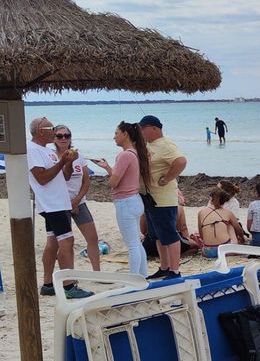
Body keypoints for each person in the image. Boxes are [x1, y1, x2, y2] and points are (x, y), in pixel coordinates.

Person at [27, 117, 92, 299]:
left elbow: (64, 176)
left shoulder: (47, 151)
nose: (54, 131)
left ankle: (48, 284)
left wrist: (68, 161)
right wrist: (62, 161)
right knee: (67, 241)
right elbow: (42, 177)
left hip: (57, 202)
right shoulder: (32, 149)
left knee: (53, 242)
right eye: (52, 128)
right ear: (41, 131)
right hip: (52, 204)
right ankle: (69, 286)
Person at [93, 122, 152, 277]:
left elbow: (114, 182)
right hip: (134, 200)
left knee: (132, 245)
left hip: (125, 202)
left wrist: (110, 177)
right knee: (137, 244)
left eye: (116, 133)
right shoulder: (135, 153)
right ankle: (142, 276)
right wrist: (107, 168)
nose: (114, 137)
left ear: (125, 134)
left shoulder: (125, 155)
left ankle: (134, 281)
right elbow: (124, 177)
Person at [138, 115, 187, 280]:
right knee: (157, 235)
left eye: (142, 128)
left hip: (164, 199)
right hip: (149, 197)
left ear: (154, 128)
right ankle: (164, 267)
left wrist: (166, 178)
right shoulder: (148, 145)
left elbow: (180, 161)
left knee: (169, 235)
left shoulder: (166, 145)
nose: (141, 132)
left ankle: (175, 270)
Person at [52, 125, 100, 271]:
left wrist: (77, 201)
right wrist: (69, 203)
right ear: (54, 138)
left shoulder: (79, 156)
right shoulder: (51, 157)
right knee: (64, 243)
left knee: (93, 238)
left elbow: (86, 182)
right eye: (59, 136)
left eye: (67, 135)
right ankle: (69, 275)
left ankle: (97, 272)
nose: (63, 138)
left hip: (79, 201)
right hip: (60, 204)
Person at [197, 188, 245, 257]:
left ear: (211, 198)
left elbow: (201, 235)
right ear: (225, 201)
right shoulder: (228, 213)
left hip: (208, 251)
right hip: (225, 250)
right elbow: (238, 230)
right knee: (229, 225)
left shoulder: (201, 212)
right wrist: (242, 239)